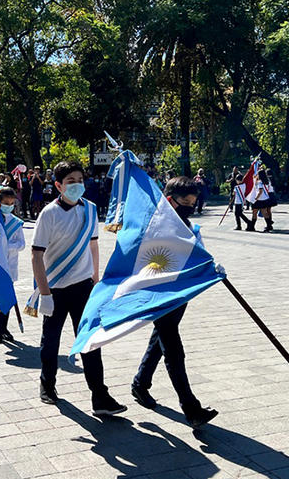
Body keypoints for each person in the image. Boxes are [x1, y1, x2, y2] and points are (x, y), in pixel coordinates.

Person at [31, 161, 125, 415]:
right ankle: (47, 385)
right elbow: (36, 255)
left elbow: (93, 246)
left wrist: (96, 281)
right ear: (58, 185)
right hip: (56, 289)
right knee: (50, 342)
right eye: (70, 181)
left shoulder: (91, 210)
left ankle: (100, 397)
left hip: (83, 288)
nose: (77, 185)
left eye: (80, 180)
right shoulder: (49, 214)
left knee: (91, 342)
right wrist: (45, 294)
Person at [131, 176, 219, 428]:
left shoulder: (188, 226)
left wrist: (211, 267)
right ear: (170, 200)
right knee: (174, 350)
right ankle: (191, 409)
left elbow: (197, 257)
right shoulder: (154, 227)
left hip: (180, 295)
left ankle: (140, 384)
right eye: (186, 202)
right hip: (158, 296)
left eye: (194, 202)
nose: (191, 207)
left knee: (159, 341)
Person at [0, 186, 26, 343]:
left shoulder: (16, 222)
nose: (9, 206)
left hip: (10, 265)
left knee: (7, 298)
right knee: (0, 297)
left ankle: (3, 328)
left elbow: (22, 244)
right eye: (7, 203)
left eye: (12, 203)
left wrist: (7, 246)